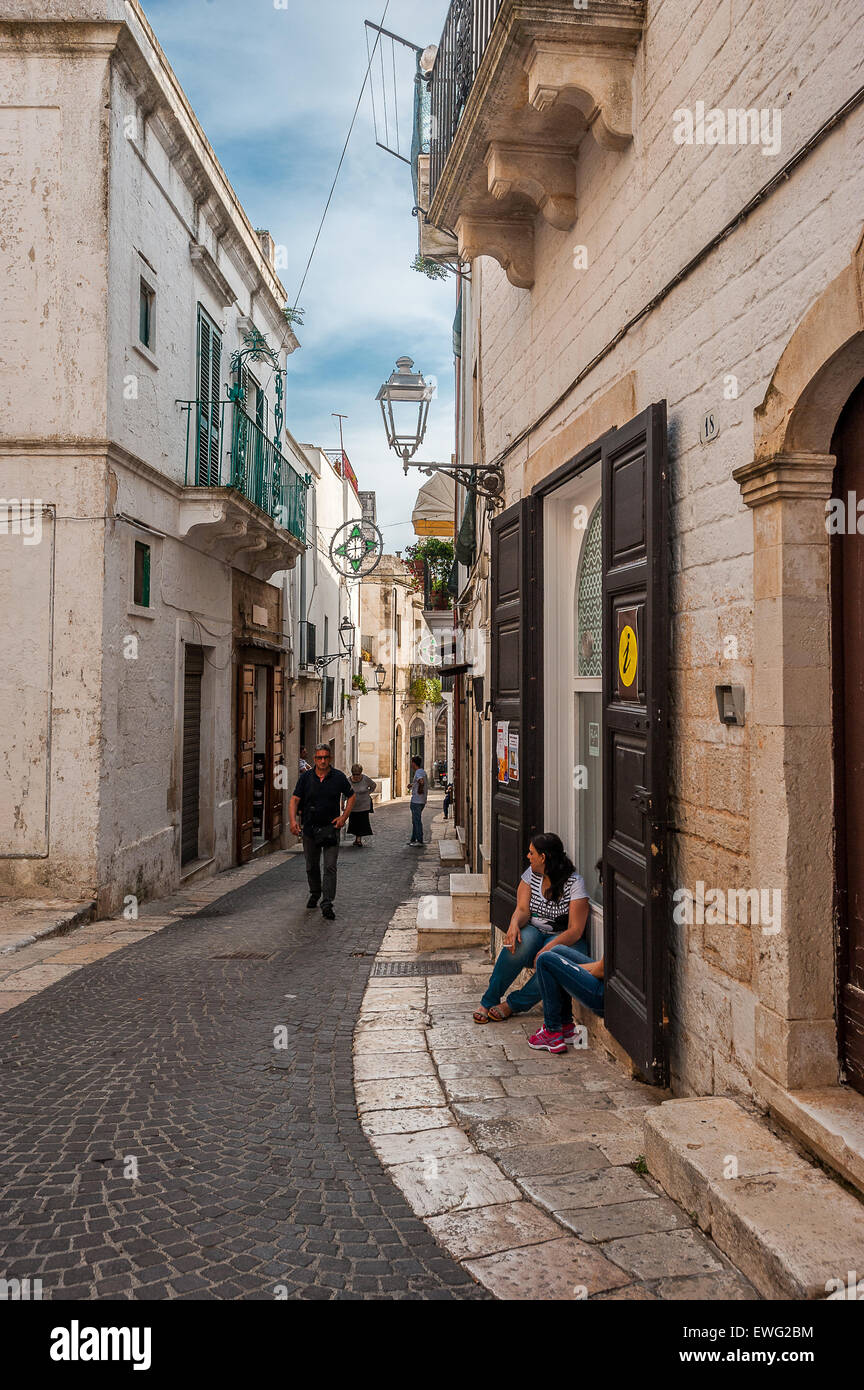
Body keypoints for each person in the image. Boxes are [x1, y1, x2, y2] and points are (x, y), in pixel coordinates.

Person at [473, 832, 589, 1025]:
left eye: (531, 853)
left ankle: (513, 1005)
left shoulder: (574, 883)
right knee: (516, 944)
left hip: (564, 937)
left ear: (543, 857)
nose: (528, 856)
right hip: (535, 930)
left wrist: (546, 950)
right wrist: (513, 924)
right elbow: (522, 909)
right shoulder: (531, 874)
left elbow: (575, 930)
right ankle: (489, 1000)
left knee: (551, 962)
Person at [289, 744, 355, 921]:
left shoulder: (338, 777)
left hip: (331, 829)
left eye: (326, 757)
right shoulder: (306, 778)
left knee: (330, 867)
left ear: (330, 758)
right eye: (319, 757)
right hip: (310, 829)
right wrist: (293, 821)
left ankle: (327, 903)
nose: (323, 761)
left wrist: (343, 818)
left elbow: (352, 796)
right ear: (314, 759)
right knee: (311, 866)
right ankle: (315, 892)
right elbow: (294, 800)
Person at [529, 953, 605, 1054]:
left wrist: (569, 971)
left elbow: (602, 971)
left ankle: (552, 1032)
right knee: (560, 952)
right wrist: (568, 968)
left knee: (544, 960)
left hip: (603, 993)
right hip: (607, 979)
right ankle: (566, 1027)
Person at [347, 764, 376, 847]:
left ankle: (358, 840)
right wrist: (343, 803)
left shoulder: (365, 779)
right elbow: (345, 793)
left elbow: (373, 785)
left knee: (361, 822)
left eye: (358, 774)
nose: (356, 776)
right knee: (354, 823)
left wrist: (368, 793)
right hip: (353, 806)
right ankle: (357, 839)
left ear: (361, 773)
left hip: (364, 805)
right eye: (354, 774)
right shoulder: (348, 781)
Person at [407, 754, 427, 845]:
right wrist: (413, 785)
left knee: (417, 821)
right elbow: (419, 781)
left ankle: (419, 840)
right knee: (415, 820)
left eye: (411, 763)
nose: (411, 765)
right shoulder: (422, 771)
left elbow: (421, 781)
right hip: (421, 800)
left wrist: (419, 790)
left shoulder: (418, 772)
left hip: (417, 801)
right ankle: (413, 839)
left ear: (414, 763)